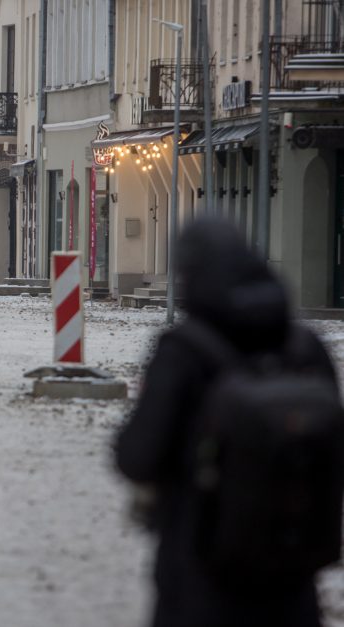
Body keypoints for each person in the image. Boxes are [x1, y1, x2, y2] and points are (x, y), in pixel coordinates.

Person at [115, 218, 340, 627]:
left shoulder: (184, 351)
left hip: (202, 562)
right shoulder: (306, 348)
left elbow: (137, 457)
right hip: (291, 563)